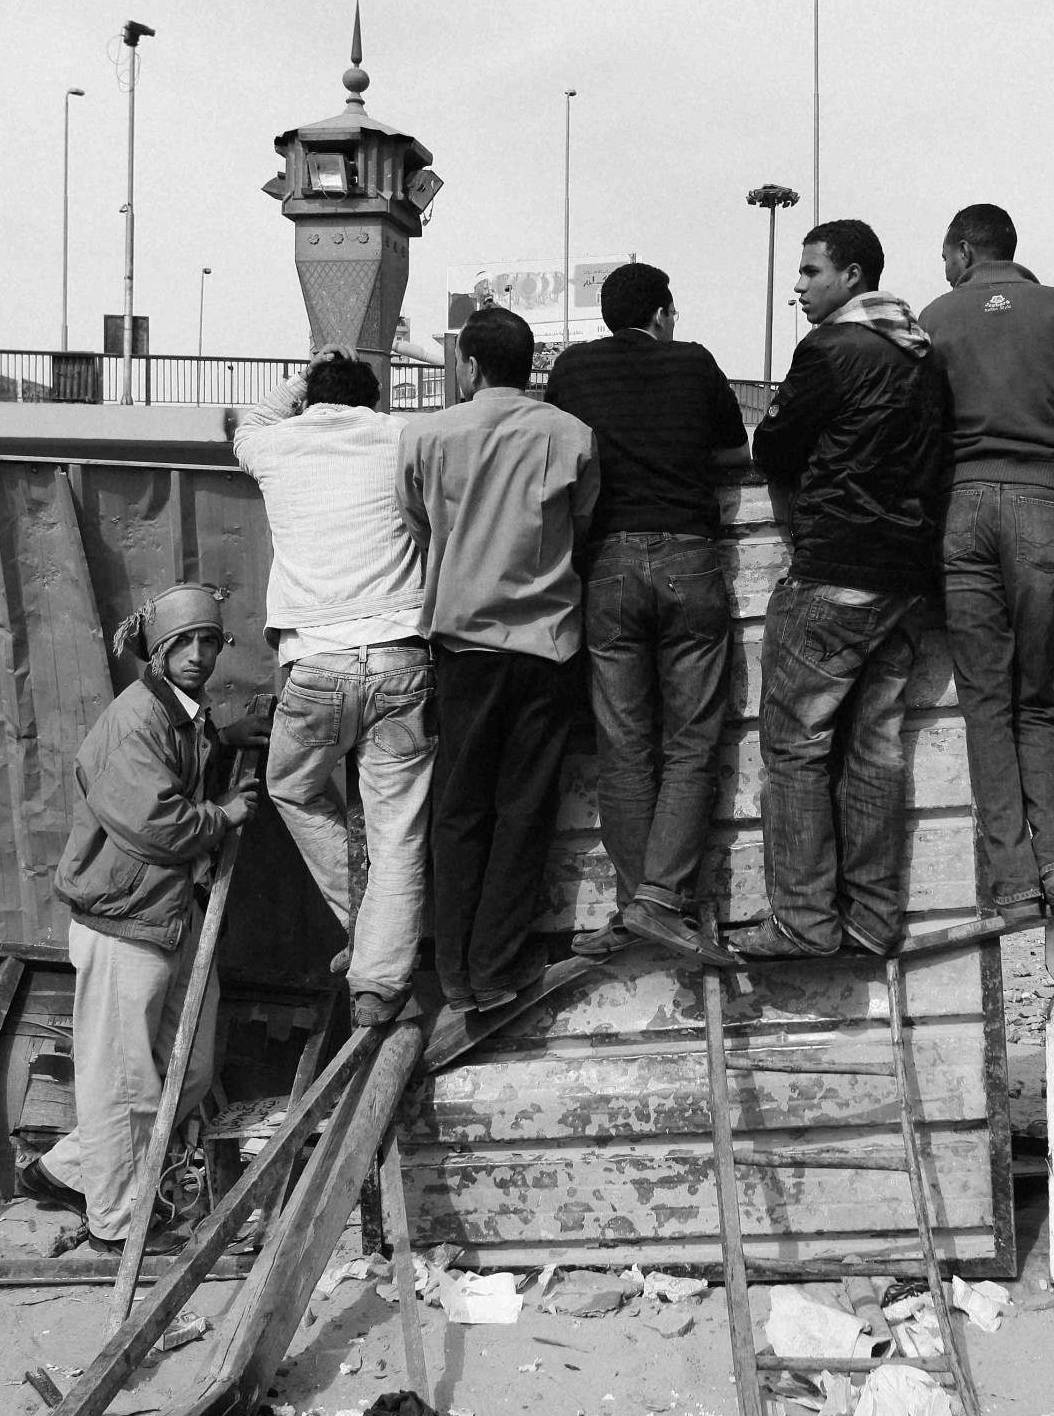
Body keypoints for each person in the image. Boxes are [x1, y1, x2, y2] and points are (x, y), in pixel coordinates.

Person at [24, 584, 264, 1253]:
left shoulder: (180, 714)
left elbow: (181, 756)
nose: (198, 654)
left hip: (171, 915)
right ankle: (117, 1227)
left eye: (208, 640)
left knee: (189, 1069)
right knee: (124, 1085)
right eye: (182, 643)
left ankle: (67, 1170)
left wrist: (225, 739)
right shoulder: (136, 720)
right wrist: (223, 816)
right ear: (157, 652)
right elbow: (157, 824)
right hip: (123, 923)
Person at [737, 219, 951, 961]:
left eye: (810, 272)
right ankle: (872, 918)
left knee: (794, 745)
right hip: (904, 577)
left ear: (852, 276)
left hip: (835, 567)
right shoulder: (921, 354)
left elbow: (773, 447)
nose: (798, 287)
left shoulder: (832, 348)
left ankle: (803, 920)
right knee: (876, 747)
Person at [544, 262, 746, 968]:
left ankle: (640, 903)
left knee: (623, 745)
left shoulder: (573, 369)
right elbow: (736, 448)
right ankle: (658, 900)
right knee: (691, 741)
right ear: (660, 313)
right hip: (690, 555)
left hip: (608, 563)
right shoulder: (693, 363)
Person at [401, 307, 598, 1012]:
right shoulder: (571, 434)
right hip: (547, 645)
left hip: (463, 647)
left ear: (470, 366)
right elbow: (581, 524)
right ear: (528, 364)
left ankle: (453, 970)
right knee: (525, 807)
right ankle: (498, 964)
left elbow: (417, 521)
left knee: (459, 807)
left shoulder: (426, 435)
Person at [229, 350, 432, 1027]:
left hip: (315, 664)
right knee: (397, 827)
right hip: (402, 657)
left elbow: (250, 421)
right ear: (373, 401)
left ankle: (367, 930)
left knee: (292, 786)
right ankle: (379, 971)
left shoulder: (277, 444)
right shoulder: (402, 435)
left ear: (311, 396)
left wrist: (303, 374)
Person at [918, 203, 1054, 919]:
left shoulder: (936, 317)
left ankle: (1014, 879)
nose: (944, 269)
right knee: (1035, 695)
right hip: (1047, 502)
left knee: (984, 701)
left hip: (962, 508)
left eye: (945, 256)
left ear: (964, 251)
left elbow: (921, 430)